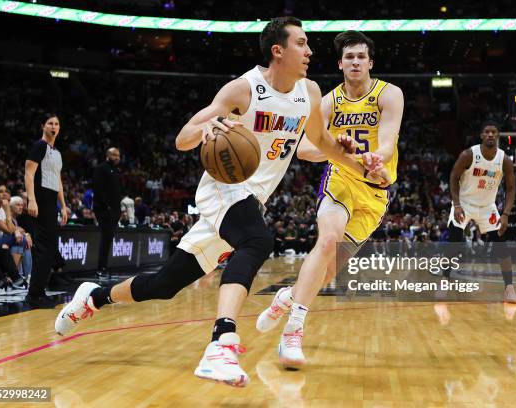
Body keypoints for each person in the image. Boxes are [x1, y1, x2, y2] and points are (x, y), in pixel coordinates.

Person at [54, 17, 388, 387]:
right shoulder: (243, 90)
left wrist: (360, 166)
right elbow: (183, 138)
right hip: (222, 190)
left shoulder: (308, 92)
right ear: (278, 51)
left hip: (250, 200)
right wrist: (206, 129)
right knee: (258, 240)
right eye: (302, 43)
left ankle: (93, 298)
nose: (310, 51)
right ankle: (221, 344)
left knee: (165, 285)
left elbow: (322, 145)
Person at [255, 30, 404, 367]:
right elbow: (304, 149)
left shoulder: (389, 94)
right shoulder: (329, 101)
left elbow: (388, 142)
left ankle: (287, 297)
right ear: (340, 63)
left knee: (327, 272)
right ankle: (293, 332)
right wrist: (335, 144)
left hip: (375, 193)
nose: (355, 62)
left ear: (370, 63)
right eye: (349, 57)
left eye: (361, 56)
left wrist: (374, 157)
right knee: (327, 242)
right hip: (340, 181)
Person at [446, 122, 516, 302]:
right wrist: (456, 205)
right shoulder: (468, 155)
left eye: (494, 132)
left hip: (488, 207)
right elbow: (453, 178)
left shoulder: (504, 160)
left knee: (502, 245)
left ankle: (509, 288)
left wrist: (505, 214)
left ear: (498, 135)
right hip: (464, 203)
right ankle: (444, 282)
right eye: (487, 132)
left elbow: (511, 188)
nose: (490, 135)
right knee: (454, 242)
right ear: (481, 135)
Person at [25, 114, 69, 308]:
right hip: (40, 200)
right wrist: (31, 200)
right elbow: (28, 173)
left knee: (50, 248)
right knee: (44, 248)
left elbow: (58, 180)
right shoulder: (39, 146)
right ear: (43, 126)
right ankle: (34, 295)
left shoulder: (57, 152)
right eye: (50, 123)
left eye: (57, 123)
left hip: (52, 202)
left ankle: (40, 291)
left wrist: (63, 205)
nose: (54, 126)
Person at [92, 147, 122, 277]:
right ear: (108, 155)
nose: (117, 158)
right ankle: (100, 268)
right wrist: (107, 206)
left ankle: (104, 266)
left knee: (109, 238)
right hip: (104, 209)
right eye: (114, 155)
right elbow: (98, 188)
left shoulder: (116, 170)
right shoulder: (101, 168)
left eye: (118, 156)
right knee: (106, 237)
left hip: (115, 210)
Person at [9, 196, 33, 283]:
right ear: (10, 206)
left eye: (22, 205)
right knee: (21, 242)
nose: (21, 207)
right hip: (3, 243)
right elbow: (12, 229)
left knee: (26, 243)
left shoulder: (16, 219)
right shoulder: (6, 216)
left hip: (12, 242)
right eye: (18, 205)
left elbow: (20, 229)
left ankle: (27, 276)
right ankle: (19, 276)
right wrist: (25, 234)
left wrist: (26, 234)